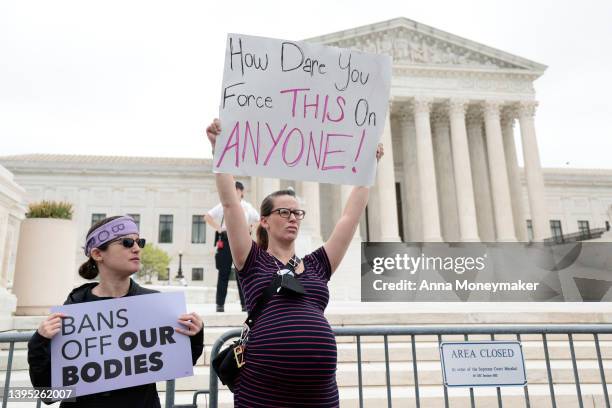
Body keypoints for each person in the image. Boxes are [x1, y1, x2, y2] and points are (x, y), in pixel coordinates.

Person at [206, 119, 384, 408]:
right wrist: (219, 151)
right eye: (284, 211)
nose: (292, 218)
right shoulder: (251, 260)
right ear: (263, 220)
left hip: (319, 396)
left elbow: (349, 218)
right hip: (262, 394)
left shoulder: (317, 265)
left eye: (297, 213)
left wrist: (368, 169)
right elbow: (230, 205)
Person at [27, 215, 204, 407]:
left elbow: (177, 363)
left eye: (139, 242)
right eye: (127, 242)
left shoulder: (155, 304)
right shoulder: (75, 307)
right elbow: (48, 392)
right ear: (97, 254)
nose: (136, 248)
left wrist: (194, 334)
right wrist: (40, 341)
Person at [205, 181, 259, 312]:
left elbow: (258, 220)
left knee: (242, 273)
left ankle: (245, 305)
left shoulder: (247, 206)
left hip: (242, 239)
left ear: (241, 192)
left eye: (236, 190)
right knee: (223, 273)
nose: (233, 193)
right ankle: (220, 305)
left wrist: (251, 228)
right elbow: (207, 216)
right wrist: (218, 228)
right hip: (226, 239)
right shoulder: (224, 205)